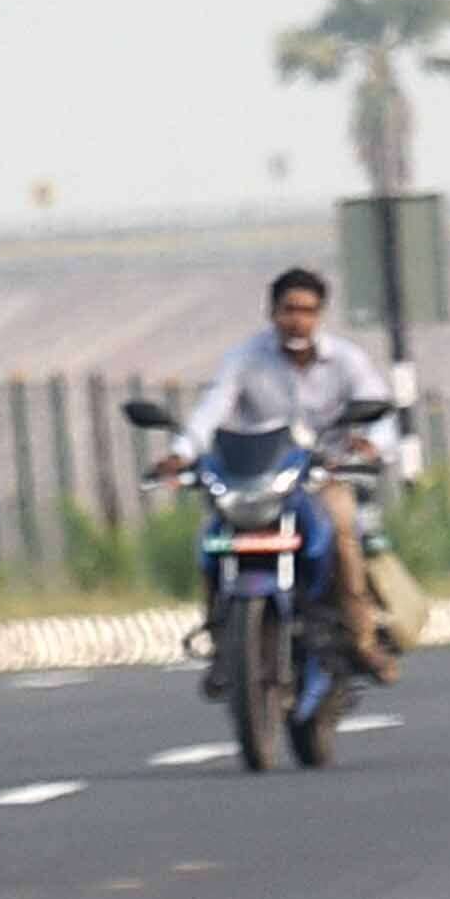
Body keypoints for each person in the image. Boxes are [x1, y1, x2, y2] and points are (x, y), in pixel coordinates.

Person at [156, 265, 396, 681]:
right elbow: (212, 409)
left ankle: (362, 639)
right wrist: (181, 453)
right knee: (213, 538)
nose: (297, 319)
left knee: (342, 532)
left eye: (307, 310)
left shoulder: (346, 360)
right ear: (272, 313)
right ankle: (221, 643)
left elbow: (380, 411)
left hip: (320, 477)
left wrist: (371, 444)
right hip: (256, 480)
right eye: (289, 309)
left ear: (320, 314)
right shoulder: (245, 359)